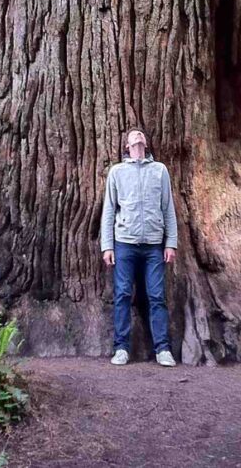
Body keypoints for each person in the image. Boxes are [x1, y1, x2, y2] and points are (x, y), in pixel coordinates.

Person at [100, 128, 178, 366]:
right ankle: (121, 348)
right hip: (124, 243)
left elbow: (168, 208)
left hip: (154, 245)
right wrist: (107, 246)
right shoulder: (117, 172)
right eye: (133, 135)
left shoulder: (160, 170)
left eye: (141, 134)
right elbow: (109, 210)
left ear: (145, 143)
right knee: (122, 294)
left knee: (157, 296)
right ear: (127, 146)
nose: (138, 136)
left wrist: (171, 243)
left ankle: (163, 349)